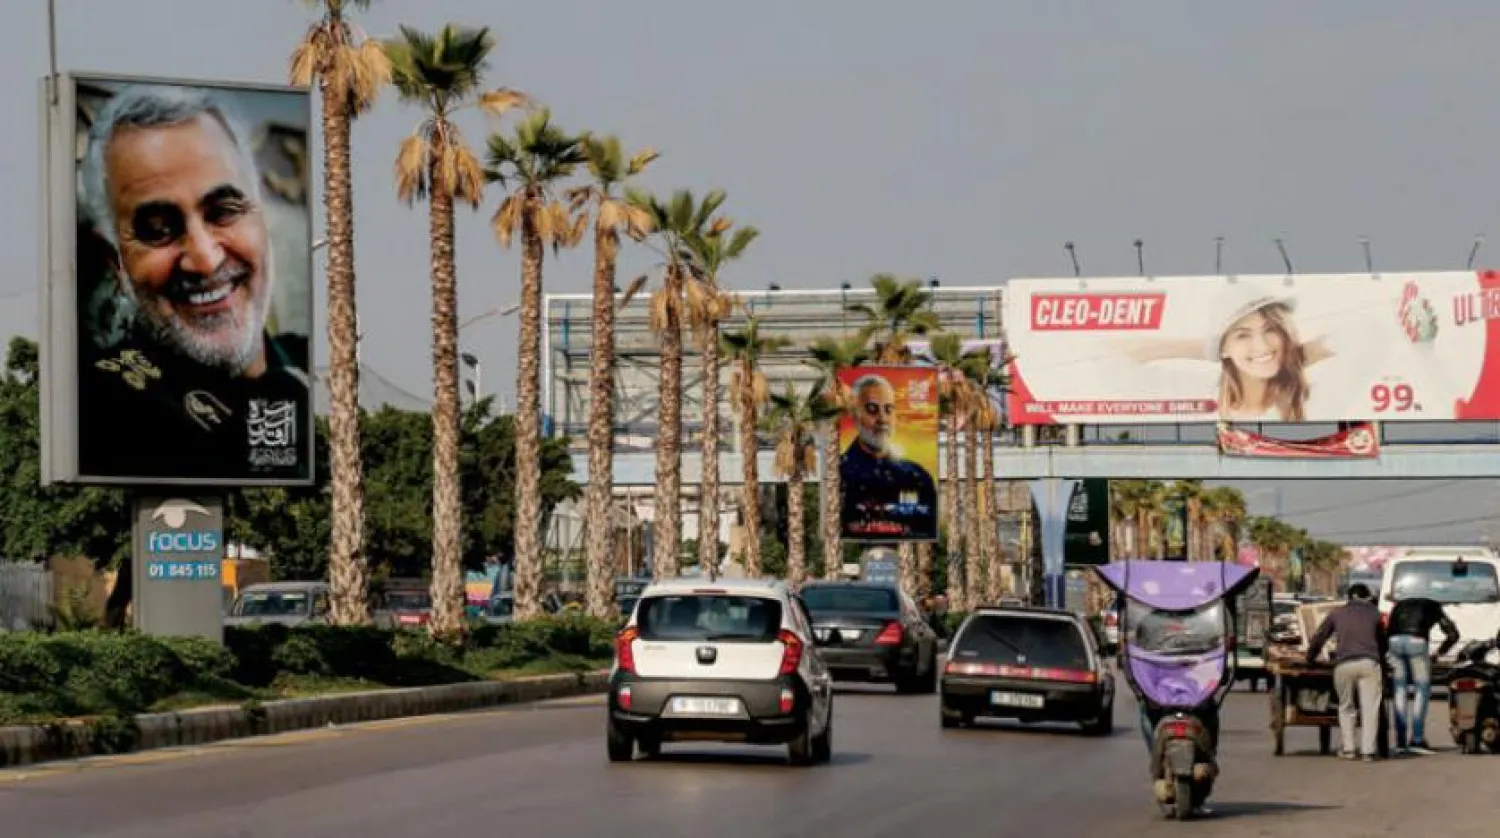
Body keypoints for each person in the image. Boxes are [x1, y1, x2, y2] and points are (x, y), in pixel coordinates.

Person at [76, 83, 309, 480]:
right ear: (115, 262)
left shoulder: (308, 371)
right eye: (157, 229)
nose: (205, 259)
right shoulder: (104, 408)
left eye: (224, 211)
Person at [839, 374, 938, 538]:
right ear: (855, 414)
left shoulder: (917, 476)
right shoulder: (839, 473)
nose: (882, 419)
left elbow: (927, 532)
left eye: (888, 409)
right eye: (872, 409)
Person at [1306, 584, 1388, 762]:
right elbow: (1383, 642)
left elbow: (1320, 637)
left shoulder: (1337, 613)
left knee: (1346, 706)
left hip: (1344, 664)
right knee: (1370, 708)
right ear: (1367, 597)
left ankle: (1349, 749)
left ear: (1348, 598)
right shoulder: (1375, 614)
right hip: (1369, 663)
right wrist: (1381, 660)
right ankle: (1368, 752)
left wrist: (1310, 658)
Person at [1385, 587, 1459, 754]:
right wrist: (1439, 653)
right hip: (1417, 642)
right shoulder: (1434, 607)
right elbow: (1453, 634)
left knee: (1399, 690)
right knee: (1421, 689)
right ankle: (1417, 739)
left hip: (1394, 642)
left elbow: (1388, 630)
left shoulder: (1399, 605)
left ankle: (1401, 740)